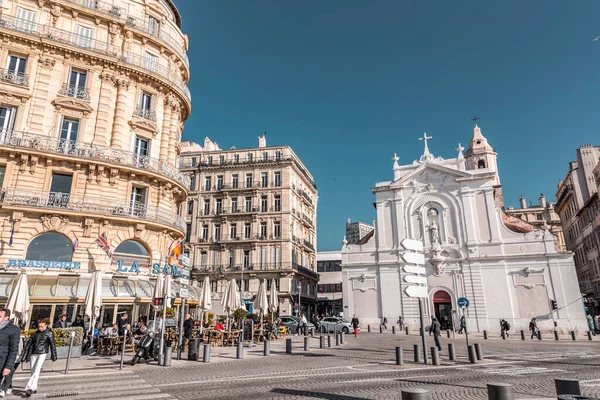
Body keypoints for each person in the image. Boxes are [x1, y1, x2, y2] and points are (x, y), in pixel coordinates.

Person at [22, 318, 57, 398]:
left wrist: (54, 355)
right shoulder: (35, 334)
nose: (40, 328)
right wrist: (24, 355)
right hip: (34, 353)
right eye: (39, 326)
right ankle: (34, 387)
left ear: (46, 325)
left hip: (42, 352)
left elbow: (52, 344)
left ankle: (29, 388)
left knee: (37, 369)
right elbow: (28, 344)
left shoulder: (49, 333)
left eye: (42, 326)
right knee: (33, 370)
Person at [0, 308, 21, 398]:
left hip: (2, 360)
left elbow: (13, 350)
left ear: (6, 318)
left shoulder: (14, 330)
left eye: (0, 316)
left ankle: (4, 388)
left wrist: (8, 366)